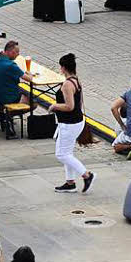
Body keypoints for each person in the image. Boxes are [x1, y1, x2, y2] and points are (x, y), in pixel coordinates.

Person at [49, 53, 94, 193]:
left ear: (63, 68)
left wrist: (54, 106)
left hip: (69, 124)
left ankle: (86, 175)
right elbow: (79, 103)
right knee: (67, 153)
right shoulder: (76, 80)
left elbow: (70, 106)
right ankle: (70, 183)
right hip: (76, 121)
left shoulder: (67, 85)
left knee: (61, 154)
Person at [0, 41, 34, 136]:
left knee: (21, 91)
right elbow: (29, 79)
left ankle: (2, 112)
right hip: (6, 97)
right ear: (9, 52)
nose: (18, 54)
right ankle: (8, 115)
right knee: (33, 102)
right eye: (16, 52)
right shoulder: (11, 65)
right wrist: (29, 73)